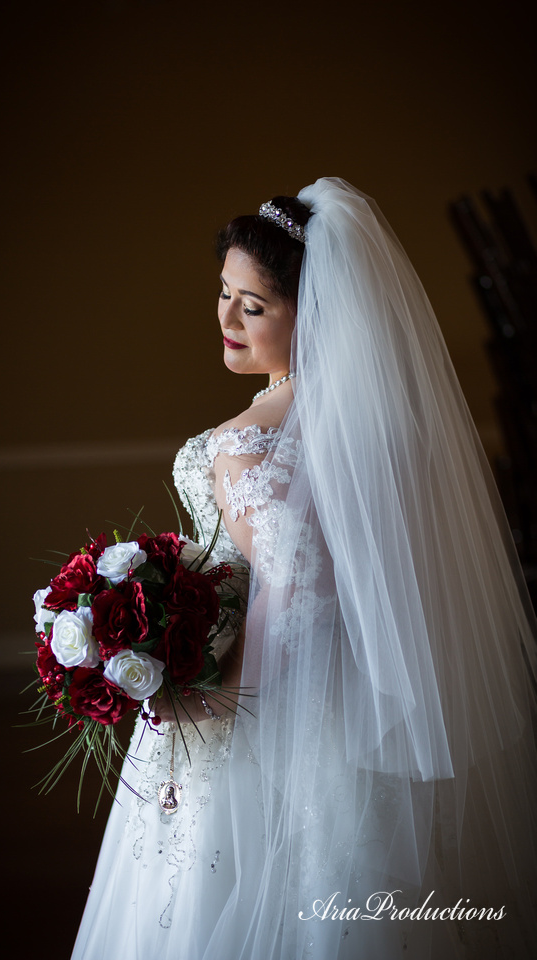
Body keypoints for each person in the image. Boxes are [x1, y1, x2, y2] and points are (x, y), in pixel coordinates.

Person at [71, 178, 537, 959]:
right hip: (357, 711)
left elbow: (296, 597)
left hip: (255, 711)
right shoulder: (383, 431)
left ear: (311, 312)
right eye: (223, 294)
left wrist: (212, 696)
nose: (224, 320)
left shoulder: (245, 444)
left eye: (252, 307)